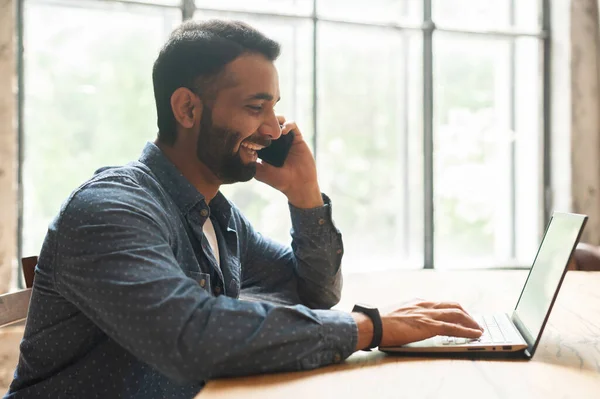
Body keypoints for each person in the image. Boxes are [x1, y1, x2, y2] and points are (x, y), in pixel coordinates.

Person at [5, 20, 483, 399]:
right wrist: (372, 327)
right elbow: (194, 337)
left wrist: (306, 197)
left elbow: (314, 291)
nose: (275, 130)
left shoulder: (217, 215)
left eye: (275, 108)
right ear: (187, 109)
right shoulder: (110, 210)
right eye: (256, 108)